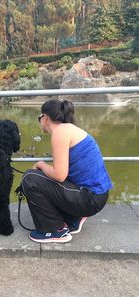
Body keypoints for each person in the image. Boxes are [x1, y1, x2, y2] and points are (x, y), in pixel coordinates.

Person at [21, 99, 112, 243]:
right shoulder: (68, 129)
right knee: (41, 177)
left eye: (39, 117)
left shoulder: (60, 132)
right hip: (96, 195)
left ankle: (54, 231)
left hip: (89, 198)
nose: (40, 121)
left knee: (30, 178)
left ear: (45, 117)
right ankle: (73, 219)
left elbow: (59, 175)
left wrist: (40, 164)